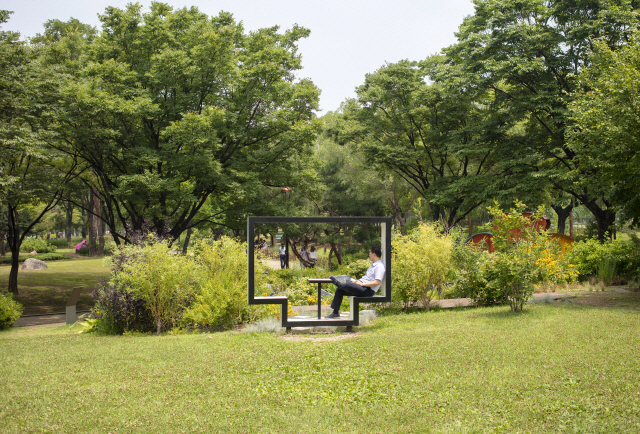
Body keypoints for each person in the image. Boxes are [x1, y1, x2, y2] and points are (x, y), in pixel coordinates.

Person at [325, 246, 385, 319]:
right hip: (361, 287)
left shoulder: (379, 266)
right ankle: (335, 313)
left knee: (349, 285)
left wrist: (363, 284)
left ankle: (339, 284)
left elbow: (377, 282)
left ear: (374, 254)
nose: (369, 255)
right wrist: (359, 281)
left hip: (367, 290)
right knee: (340, 290)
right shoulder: (372, 265)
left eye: (370, 253)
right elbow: (367, 278)